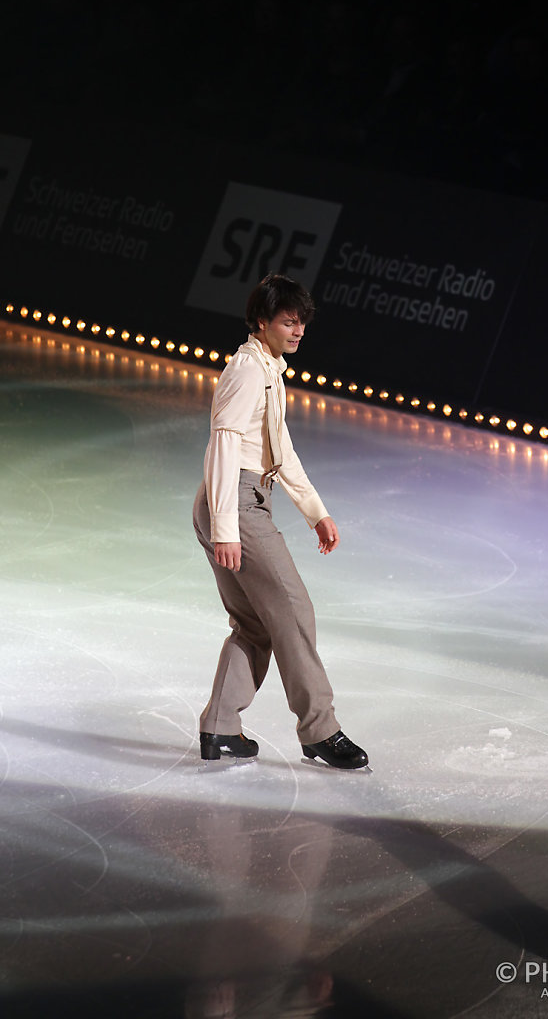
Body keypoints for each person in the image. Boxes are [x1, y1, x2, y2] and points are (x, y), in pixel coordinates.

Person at [192, 273, 368, 770]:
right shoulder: (247, 369)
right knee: (294, 611)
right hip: (236, 505)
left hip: (237, 501)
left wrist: (316, 511)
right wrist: (226, 526)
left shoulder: (270, 368)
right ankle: (320, 731)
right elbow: (224, 443)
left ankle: (220, 726)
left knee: (254, 623)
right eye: (289, 322)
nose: (298, 331)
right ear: (262, 322)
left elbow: (280, 449)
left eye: (302, 324)